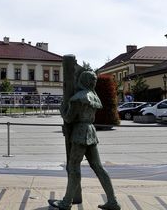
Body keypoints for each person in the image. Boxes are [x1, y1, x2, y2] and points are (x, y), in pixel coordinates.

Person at [48, 71, 120, 210]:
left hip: (80, 132)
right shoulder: (94, 96)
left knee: (73, 167)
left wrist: (62, 109)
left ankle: (66, 202)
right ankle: (113, 200)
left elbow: (69, 118)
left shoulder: (78, 98)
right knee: (99, 167)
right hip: (91, 131)